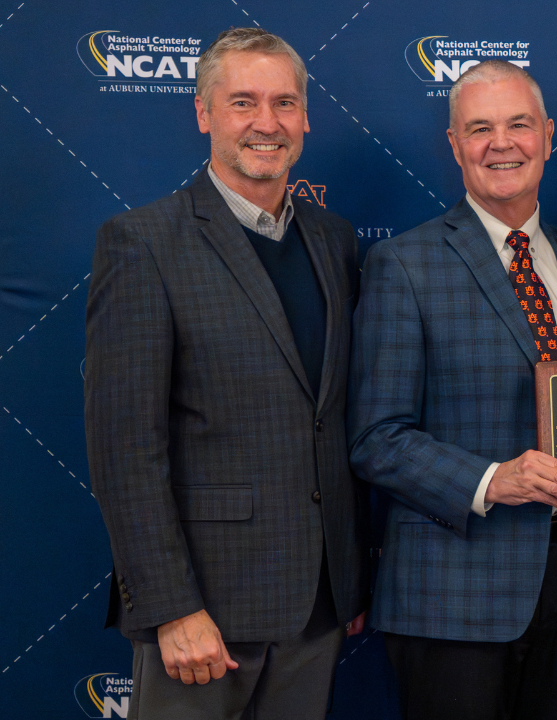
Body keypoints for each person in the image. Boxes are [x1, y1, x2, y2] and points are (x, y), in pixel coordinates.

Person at [84, 27, 367, 719]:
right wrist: (171, 606)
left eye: (284, 103)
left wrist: (349, 580)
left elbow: (328, 415)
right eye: (243, 103)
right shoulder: (143, 242)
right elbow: (126, 449)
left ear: (305, 117)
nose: (266, 124)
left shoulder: (333, 240)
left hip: (319, 604)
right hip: (205, 612)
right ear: (204, 113)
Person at [347, 60, 557, 720]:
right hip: (453, 596)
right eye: (480, 128)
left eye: (519, 125)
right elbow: (377, 439)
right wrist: (493, 479)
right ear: (454, 144)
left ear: (548, 136)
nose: (503, 143)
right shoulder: (403, 264)